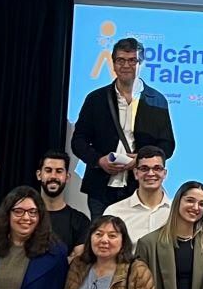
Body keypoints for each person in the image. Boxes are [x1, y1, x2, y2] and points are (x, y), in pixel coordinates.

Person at [73, 37, 177, 218]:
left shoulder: (157, 100)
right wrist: (98, 160)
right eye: (120, 60)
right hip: (100, 188)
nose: (126, 65)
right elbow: (78, 141)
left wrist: (140, 160)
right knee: (103, 241)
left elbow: (167, 145)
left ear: (141, 63)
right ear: (113, 64)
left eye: (132, 60)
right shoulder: (95, 99)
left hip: (139, 186)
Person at [103, 145, 171, 241]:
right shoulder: (114, 212)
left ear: (164, 173)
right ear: (136, 173)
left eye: (157, 168)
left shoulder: (176, 212)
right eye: (144, 168)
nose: (151, 173)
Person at [36, 151, 90, 250]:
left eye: (59, 171)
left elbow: (78, 259)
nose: (53, 176)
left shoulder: (80, 221)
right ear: (39, 175)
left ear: (67, 177)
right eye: (48, 170)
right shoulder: (26, 217)